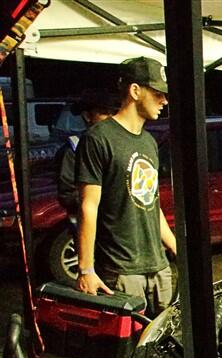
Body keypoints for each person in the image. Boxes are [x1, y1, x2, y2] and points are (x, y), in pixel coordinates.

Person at [75, 56, 176, 316]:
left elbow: (151, 204)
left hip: (159, 267)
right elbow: (89, 206)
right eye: (157, 94)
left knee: (162, 347)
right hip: (121, 271)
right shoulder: (99, 139)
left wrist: (177, 249)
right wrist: (86, 269)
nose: (164, 101)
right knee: (126, 351)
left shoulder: (150, 143)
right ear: (134, 91)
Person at [56, 88, 118, 219]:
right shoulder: (74, 149)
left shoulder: (120, 144)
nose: (110, 118)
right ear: (87, 116)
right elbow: (68, 194)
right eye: (104, 113)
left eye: (113, 113)